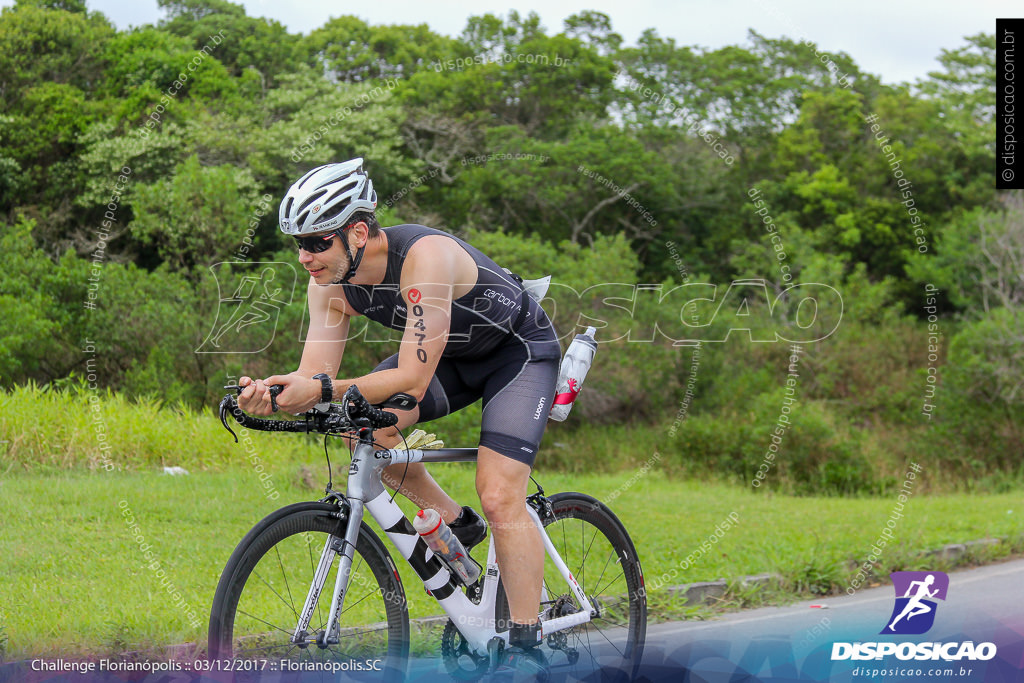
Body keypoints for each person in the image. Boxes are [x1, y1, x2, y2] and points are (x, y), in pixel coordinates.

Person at [236, 158, 561, 667]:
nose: (305, 256)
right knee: (353, 426)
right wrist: (271, 397)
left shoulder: (424, 258)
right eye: (298, 244)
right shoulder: (327, 284)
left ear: (358, 231)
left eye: (317, 241)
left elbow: (410, 376)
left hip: (517, 354)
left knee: (499, 493)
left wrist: (318, 388)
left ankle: (527, 648)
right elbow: (317, 383)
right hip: (449, 360)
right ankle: (458, 525)